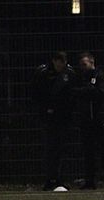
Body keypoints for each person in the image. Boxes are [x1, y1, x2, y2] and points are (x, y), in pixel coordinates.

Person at [30, 51, 76, 191]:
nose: (61, 66)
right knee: (50, 149)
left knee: (62, 149)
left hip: (64, 117)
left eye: (64, 63)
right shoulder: (43, 72)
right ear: (54, 61)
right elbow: (36, 94)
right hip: (48, 118)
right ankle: (50, 179)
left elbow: (72, 94)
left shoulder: (69, 73)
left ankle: (61, 179)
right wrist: (46, 109)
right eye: (59, 63)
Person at [74, 51, 104, 189]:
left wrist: (85, 91)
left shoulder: (101, 76)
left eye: (84, 64)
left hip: (100, 119)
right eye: (81, 65)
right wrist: (87, 91)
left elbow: (102, 92)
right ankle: (90, 181)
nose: (82, 67)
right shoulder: (80, 78)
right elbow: (74, 92)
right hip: (86, 120)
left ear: (92, 62)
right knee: (88, 152)